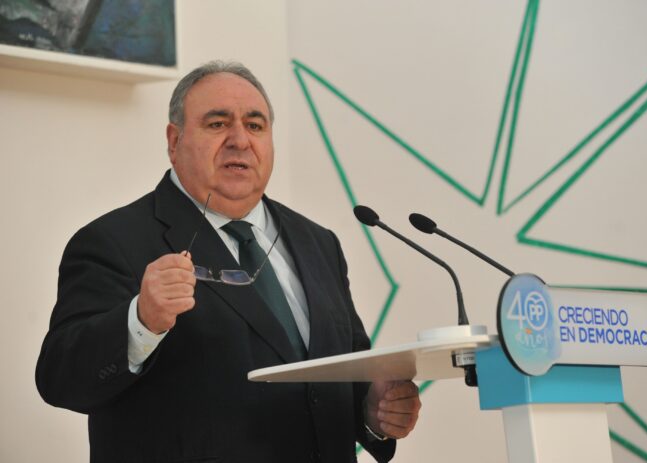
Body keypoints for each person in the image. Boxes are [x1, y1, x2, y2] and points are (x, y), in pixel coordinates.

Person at [35, 61, 420, 463]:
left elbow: (341, 374)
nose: (240, 140)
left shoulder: (319, 243)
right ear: (174, 140)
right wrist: (141, 321)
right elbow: (61, 381)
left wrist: (373, 411)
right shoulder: (114, 241)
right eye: (217, 124)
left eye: (255, 125)